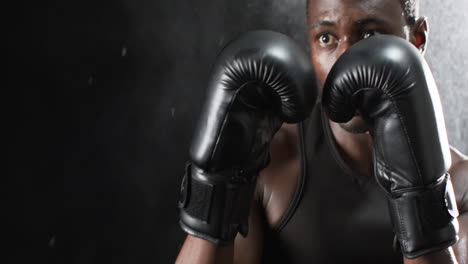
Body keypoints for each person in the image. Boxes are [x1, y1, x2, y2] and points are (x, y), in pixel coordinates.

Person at [175, 0, 468, 263]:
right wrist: (216, 187)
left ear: (416, 40)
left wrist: (423, 196)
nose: (346, 59)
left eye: (370, 36)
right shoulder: (271, 161)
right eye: (326, 38)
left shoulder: (461, 186)